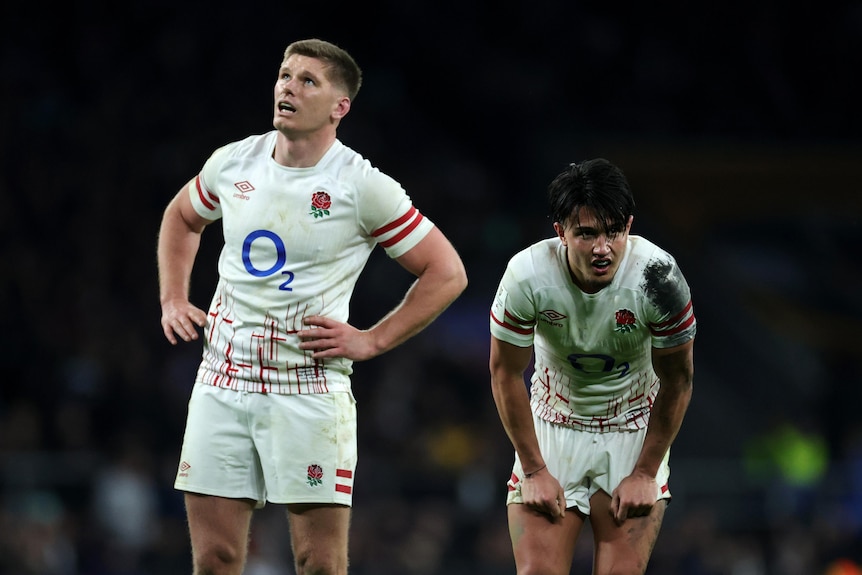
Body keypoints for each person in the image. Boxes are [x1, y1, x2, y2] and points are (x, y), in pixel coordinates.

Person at [157, 38, 467, 575]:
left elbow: (447, 272)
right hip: (223, 379)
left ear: (340, 106)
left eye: (308, 81)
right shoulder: (234, 162)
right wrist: (172, 298)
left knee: (318, 561)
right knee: (215, 559)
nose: (287, 88)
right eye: (284, 75)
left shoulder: (362, 186)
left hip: (307, 386)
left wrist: (372, 339)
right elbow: (183, 218)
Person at [488, 158, 695, 575]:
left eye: (614, 232)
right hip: (553, 425)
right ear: (560, 231)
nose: (603, 247)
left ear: (629, 226)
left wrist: (645, 472)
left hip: (631, 428)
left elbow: (678, 380)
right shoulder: (527, 277)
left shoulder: (658, 278)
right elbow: (505, 373)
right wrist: (534, 469)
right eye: (586, 233)